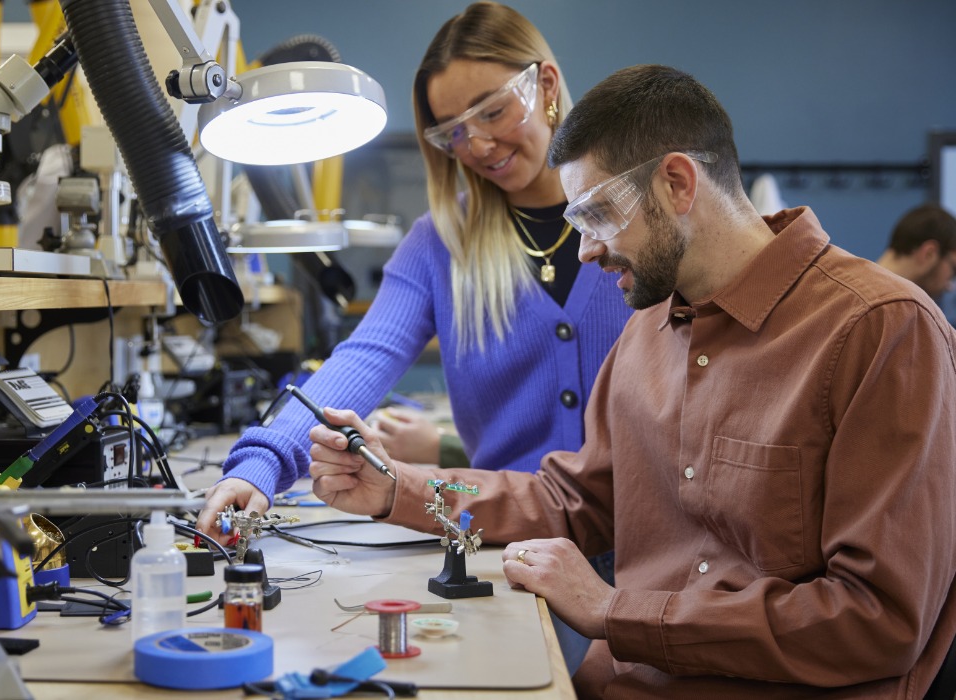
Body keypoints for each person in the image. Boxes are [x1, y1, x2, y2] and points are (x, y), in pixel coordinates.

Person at [306, 64, 956, 698]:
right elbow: (571, 503)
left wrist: (617, 613)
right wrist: (397, 490)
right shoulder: (647, 333)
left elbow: (878, 621)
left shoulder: (881, 330)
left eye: (597, 215)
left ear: (677, 182)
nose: (586, 250)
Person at [197, 3, 631, 528]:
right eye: (453, 132)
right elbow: (362, 357)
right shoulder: (439, 243)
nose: (478, 146)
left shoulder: (635, 213)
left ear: (545, 84)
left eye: (492, 112)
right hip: (508, 541)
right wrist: (260, 465)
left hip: (650, 550)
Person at [876, 203, 956, 299]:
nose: (949, 287)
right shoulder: (895, 308)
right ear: (929, 254)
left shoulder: (858, 290)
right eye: (954, 269)